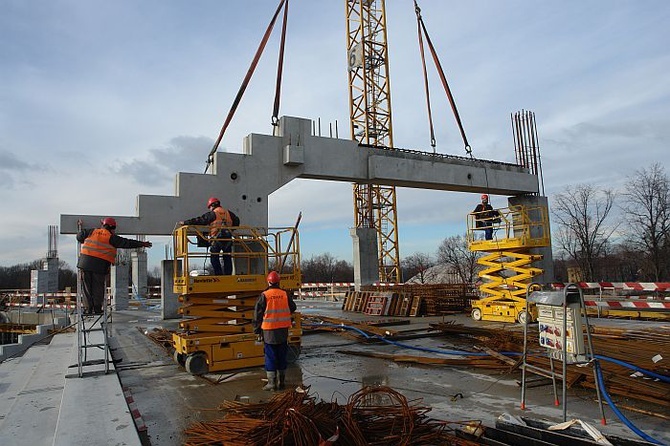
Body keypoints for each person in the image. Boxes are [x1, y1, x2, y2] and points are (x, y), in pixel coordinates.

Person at [77, 217, 152, 315]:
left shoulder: (91, 231)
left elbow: (79, 237)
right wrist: (142, 244)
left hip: (85, 264)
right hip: (99, 266)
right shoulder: (111, 237)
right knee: (98, 288)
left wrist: (81, 228)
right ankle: (97, 309)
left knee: (87, 288)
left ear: (102, 225)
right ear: (112, 228)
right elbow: (127, 243)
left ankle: (88, 309)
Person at [253, 271, 296, 391]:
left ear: (268, 281)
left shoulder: (264, 295)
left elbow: (257, 315)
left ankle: (272, 383)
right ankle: (282, 382)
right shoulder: (284, 294)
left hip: (269, 331)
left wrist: (257, 331)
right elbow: (293, 307)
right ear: (278, 282)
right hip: (283, 330)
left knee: (271, 356)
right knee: (282, 355)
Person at [179, 197, 234, 276]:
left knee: (214, 256)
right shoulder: (229, 213)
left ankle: (219, 275)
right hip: (227, 238)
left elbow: (200, 220)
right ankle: (228, 275)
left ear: (212, 205)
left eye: (210, 207)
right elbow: (236, 221)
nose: (210, 209)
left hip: (217, 238)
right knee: (227, 257)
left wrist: (185, 222)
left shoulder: (213, 213)